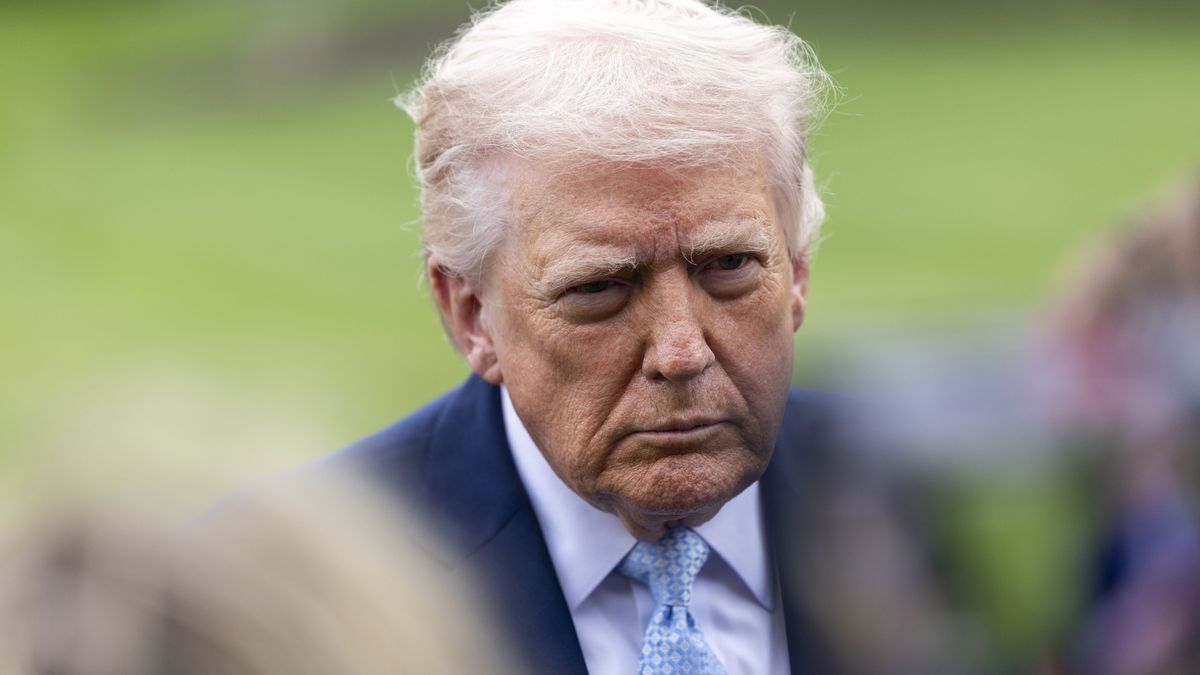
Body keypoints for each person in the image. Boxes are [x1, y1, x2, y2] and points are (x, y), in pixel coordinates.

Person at [334, 1, 837, 672]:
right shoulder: (313, 582)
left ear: (797, 267)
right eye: (599, 288)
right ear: (470, 313)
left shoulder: (903, 491)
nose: (682, 352)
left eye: (728, 267)